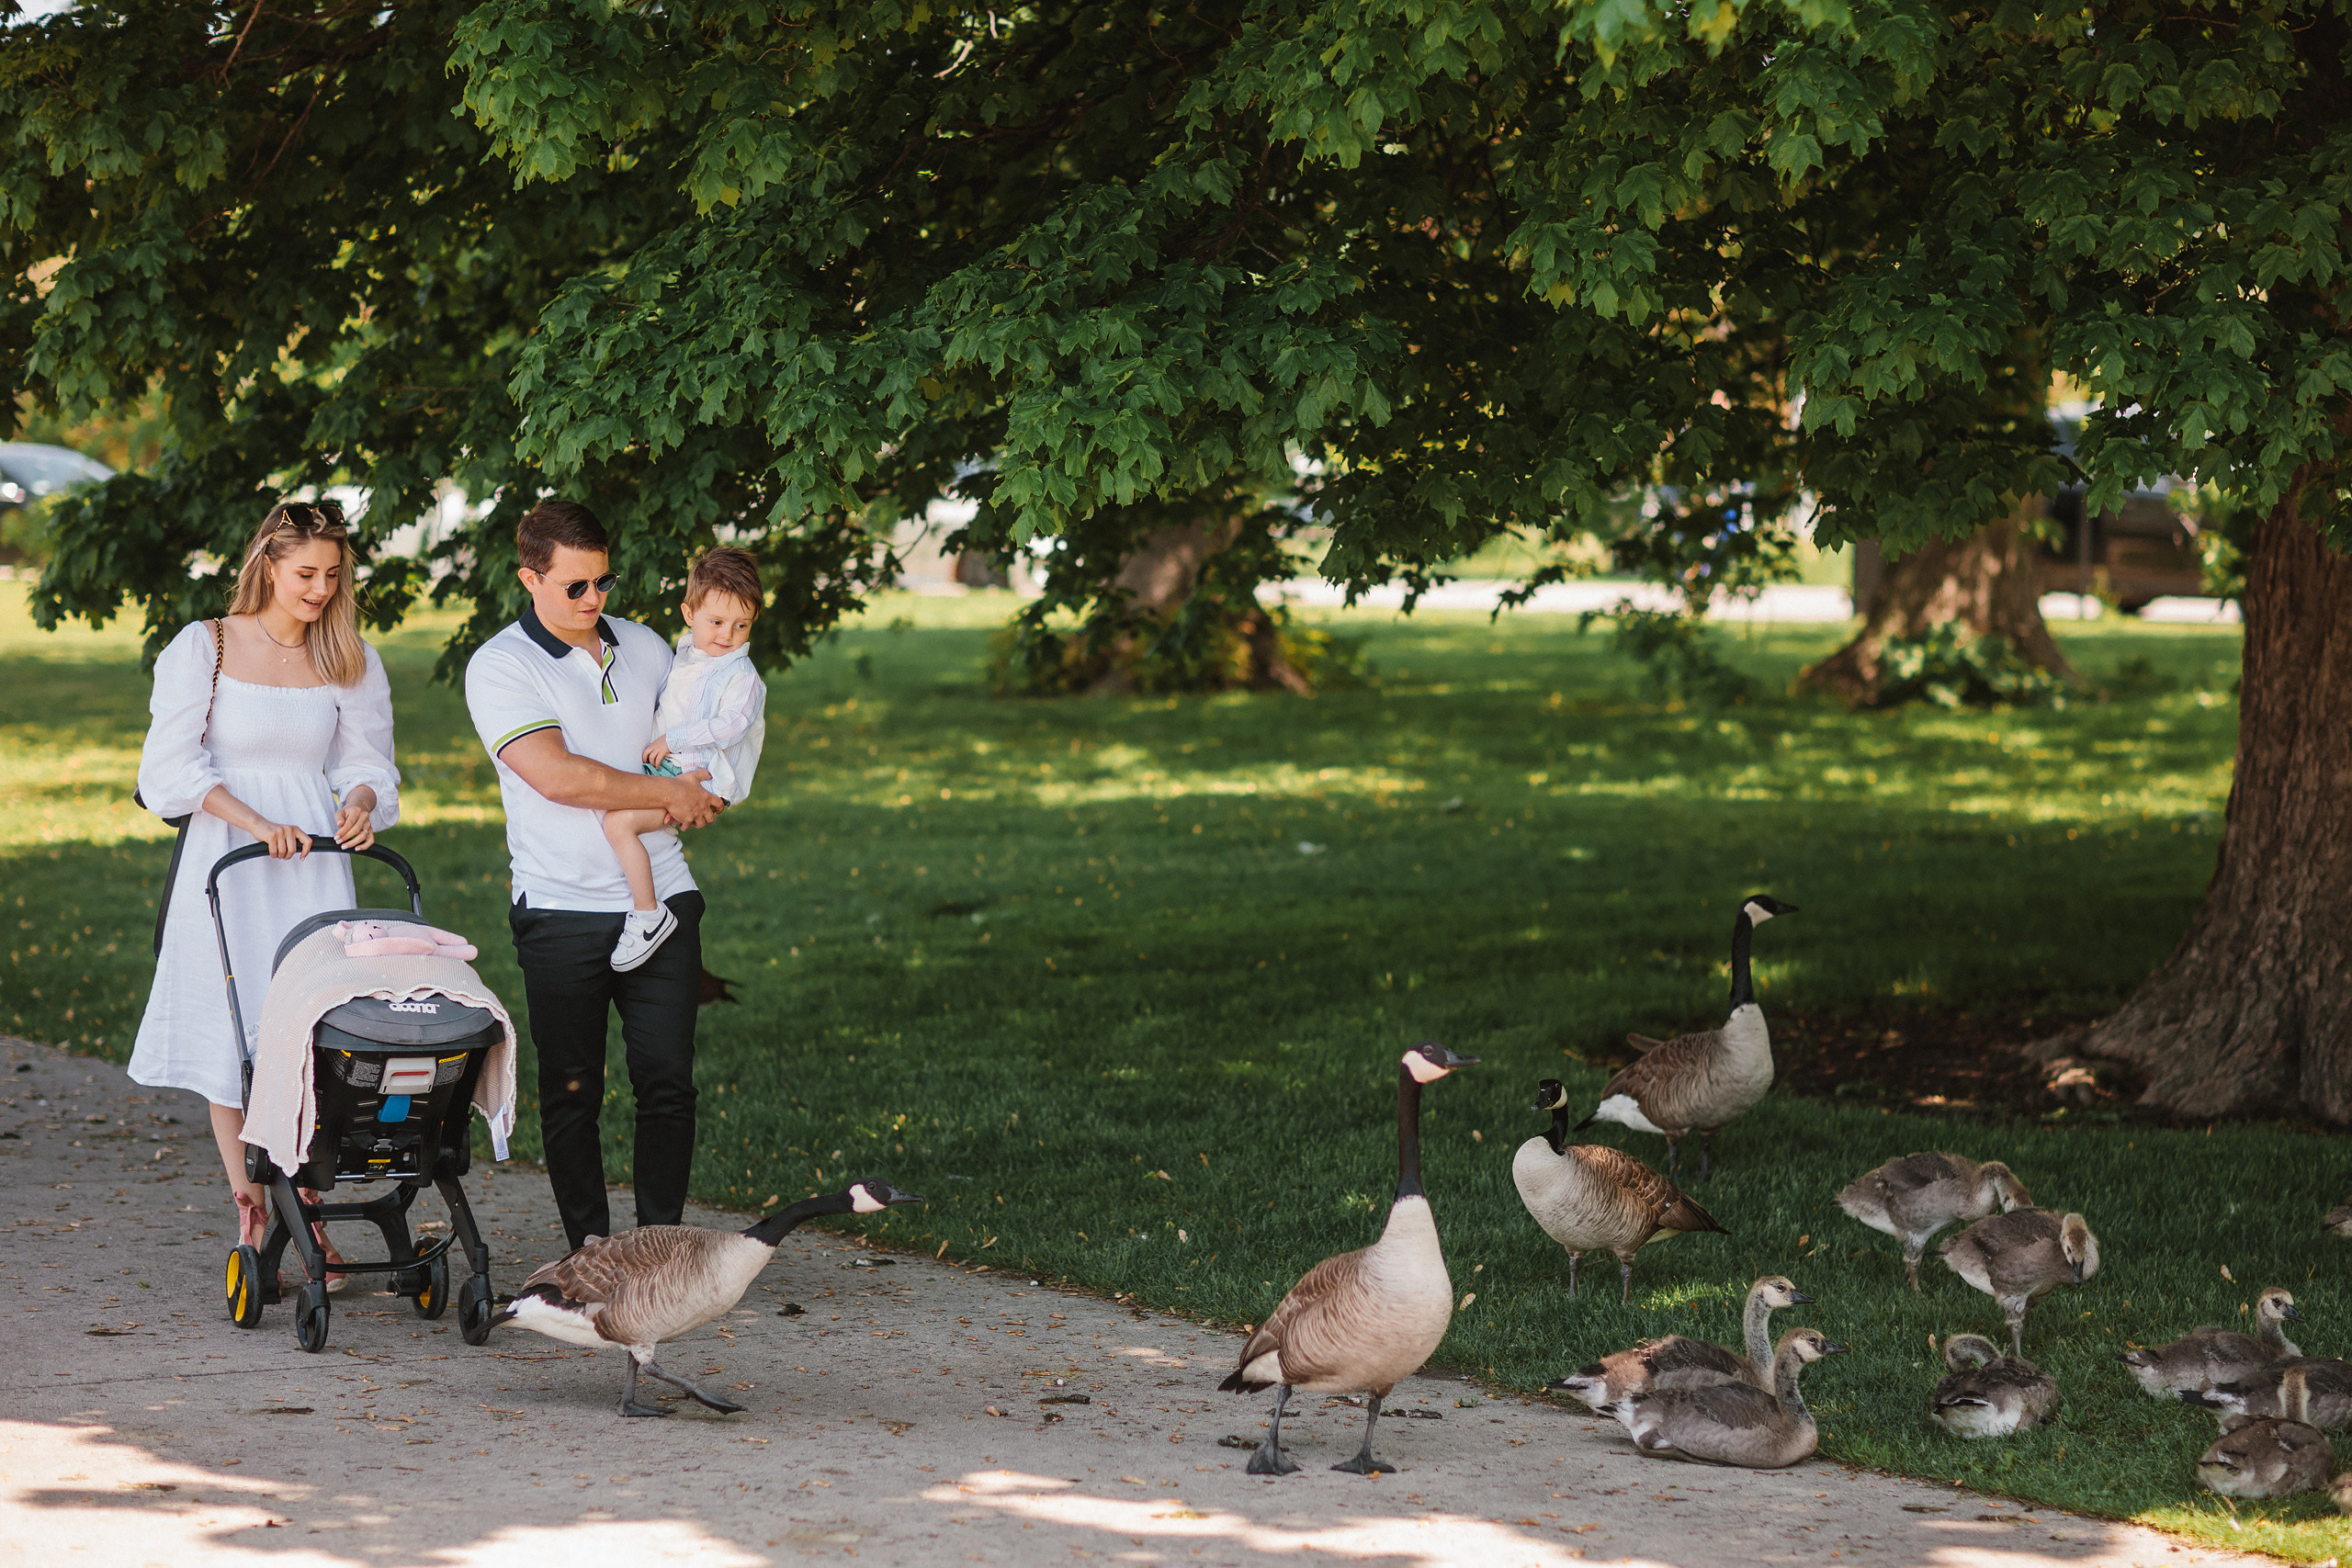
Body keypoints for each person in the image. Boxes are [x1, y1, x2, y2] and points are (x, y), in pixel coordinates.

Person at [130, 499, 401, 1270]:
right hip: (232, 856)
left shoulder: (348, 655)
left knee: (313, 1029)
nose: (320, 588)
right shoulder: (205, 646)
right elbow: (170, 769)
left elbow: (367, 765)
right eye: (306, 572)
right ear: (269, 565)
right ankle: (250, 1205)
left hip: (313, 860)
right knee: (234, 1027)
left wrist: (356, 803)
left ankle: (306, 1203)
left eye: (332, 575)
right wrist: (250, 820)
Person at [463, 499, 725, 1249]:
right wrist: (666, 793)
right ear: (529, 578)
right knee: (573, 1092)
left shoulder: (645, 647)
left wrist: (704, 784)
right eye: (575, 586)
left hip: (663, 894)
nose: (593, 601)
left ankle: (658, 1252)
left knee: (667, 1082)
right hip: (559, 908)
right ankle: (590, 1252)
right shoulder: (501, 665)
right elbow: (557, 774)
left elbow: (693, 735)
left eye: (603, 582)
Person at [600, 547, 767, 970]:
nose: (727, 635)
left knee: (618, 822)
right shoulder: (688, 656)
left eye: (741, 625)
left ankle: (648, 915)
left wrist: (673, 739)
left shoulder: (741, 677)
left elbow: (733, 724)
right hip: (674, 767)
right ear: (688, 613)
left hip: (703, 777)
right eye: (716, 622)